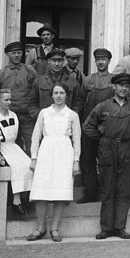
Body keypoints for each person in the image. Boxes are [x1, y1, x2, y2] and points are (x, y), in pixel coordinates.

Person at [83, 73, 130, 240]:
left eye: (127, 86)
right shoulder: (103, 106)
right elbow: (88, 126)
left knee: (123, 188)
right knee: (107, 187)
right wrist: (102, 138)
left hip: (126, 148)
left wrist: (127, 138)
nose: (124, 89)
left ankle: (119, 227)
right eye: (120, 85)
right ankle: (106, 227)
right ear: (114, 87)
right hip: (107, 148)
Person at [27, 83, 81, 242]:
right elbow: (35, 136)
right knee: (41, 191)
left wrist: (76, 160)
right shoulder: (44, 113)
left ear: (66, 95)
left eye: (62, 93)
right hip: (46, 153)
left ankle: (55, 228)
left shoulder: (72, 115)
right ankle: (40, 228)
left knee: (60, 192)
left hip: (64, 154)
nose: (58, 96)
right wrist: (34, 157)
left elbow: (77, 139)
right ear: (51, 95)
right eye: (56, 93)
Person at [77, 48, 115, 204]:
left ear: (109, 61)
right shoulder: (88, 80)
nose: (101, 62)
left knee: (108, 161)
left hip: (108, 128)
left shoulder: (114, 80)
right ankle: (90, 193)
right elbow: (80, 102)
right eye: (98, 60)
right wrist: (81, 123)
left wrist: (108, 124)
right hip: (89, 126)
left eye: (103, 59)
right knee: (87, 160)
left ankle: (107, 193)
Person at [0, 41, 37, 156]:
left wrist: (32, 111)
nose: (17, 55)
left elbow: (36, 93)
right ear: (7, 54)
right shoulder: (1, 74)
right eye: (13, 53)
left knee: (32, 144)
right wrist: (3, 112)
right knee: (13, 146)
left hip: (27, 116)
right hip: (10, 118)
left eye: (19, 52)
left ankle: (31, 166)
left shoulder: (30, 71)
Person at [28, 49, 82, 152]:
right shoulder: (39, 81)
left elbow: (78, 102)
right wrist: (39, 116)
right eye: (54, 60)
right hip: (46, 127)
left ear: (64, 62)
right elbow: (31, 102)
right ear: (48, 61)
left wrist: (71, 117)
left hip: (65, 127)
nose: (57, 64)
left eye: (60, 60)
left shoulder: (72, 81)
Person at [0, 89, 32, 215]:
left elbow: (17, 135)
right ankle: (16, 201)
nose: (9, 102)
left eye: (10, 99)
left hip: (13, 146)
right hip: (0, 147)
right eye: (6, 100)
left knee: (28, 164)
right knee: (17, 167)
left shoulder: (13, 115)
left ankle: (26, 197)